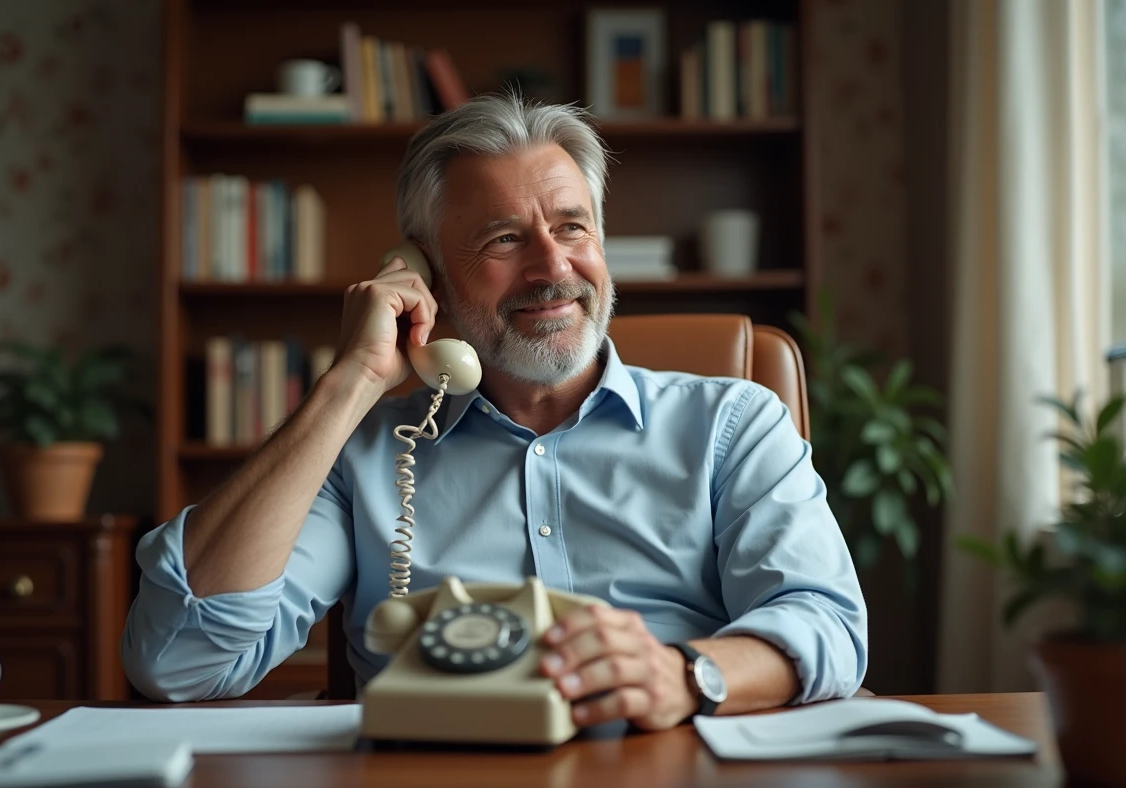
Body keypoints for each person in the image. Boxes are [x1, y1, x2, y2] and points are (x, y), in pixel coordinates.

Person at [122, 93, 867, 731]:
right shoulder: (365, 454)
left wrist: (684, 675)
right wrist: (349, 382)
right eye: (505, 239)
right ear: (428, 278)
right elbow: (178, 662)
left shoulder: (734, 424)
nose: (553, 268)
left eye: (572, 227)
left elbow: (827, 623)